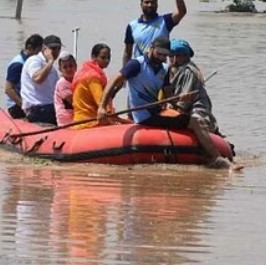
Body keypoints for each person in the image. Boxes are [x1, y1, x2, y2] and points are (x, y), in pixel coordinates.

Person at [99, 37, 235, 169]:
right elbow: (114, 80)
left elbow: (169, 95)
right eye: (159, 54)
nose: (161, 58)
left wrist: (181, 98)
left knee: (188, 118)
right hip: (144, 115)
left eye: (165, 55)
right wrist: (102, 106)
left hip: (158, 112)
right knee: (194, 122)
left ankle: (210, 152)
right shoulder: (136, 64)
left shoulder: (164, 69)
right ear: (151, 48)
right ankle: (217, 159)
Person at [122, 0, 187, 67]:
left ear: (157, 4)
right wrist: (124, 75)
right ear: (141, 4)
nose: (149, 5)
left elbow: (182, 12)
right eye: (147, 2)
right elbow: (127, 52)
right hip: (138, 71)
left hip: (159, 70)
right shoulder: (132, 26)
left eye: (152, 2)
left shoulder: (165, 21)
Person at [165, 39, 218, 133]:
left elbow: (184, 104)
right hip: (175, 107)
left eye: (179, 55)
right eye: (171, 55)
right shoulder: (168, 70)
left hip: (196, 110)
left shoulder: (189, 72)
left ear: (186, 57)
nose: (175, 59)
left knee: (197, 123)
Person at [71, 43, 125, 129]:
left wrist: (116, 88)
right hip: (88, 122)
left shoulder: (87, 72)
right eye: (103, 58)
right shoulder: (93, 76)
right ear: (93, 57)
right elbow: (101, 102)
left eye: (108, 58)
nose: (107, 60)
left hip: (82, 120)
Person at [21, 34, 62, 125]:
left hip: (50, 107)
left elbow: (58, 91)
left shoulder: (53, 70)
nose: (56, 51)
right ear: (44, 49)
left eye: (58, 48)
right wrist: (50, 61)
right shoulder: (34, 60)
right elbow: (38, 78)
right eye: (53, 48)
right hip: (37, 109)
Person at [4, 34, 43, 119]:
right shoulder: (18, 65)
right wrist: (23, 106)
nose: (39, 55)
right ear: (29, 48)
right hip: (15, 105)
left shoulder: (32, 63)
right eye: (37, 51)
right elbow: (8, 89)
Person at [53, 52, 77, 126]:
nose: (69, 69)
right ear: (60, 69)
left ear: (76, 66)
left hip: (75, 117)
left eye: (71, 66)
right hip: (66, 120)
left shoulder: (77, 80)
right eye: (65, 67)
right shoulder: (62, 83)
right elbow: (73, 102)